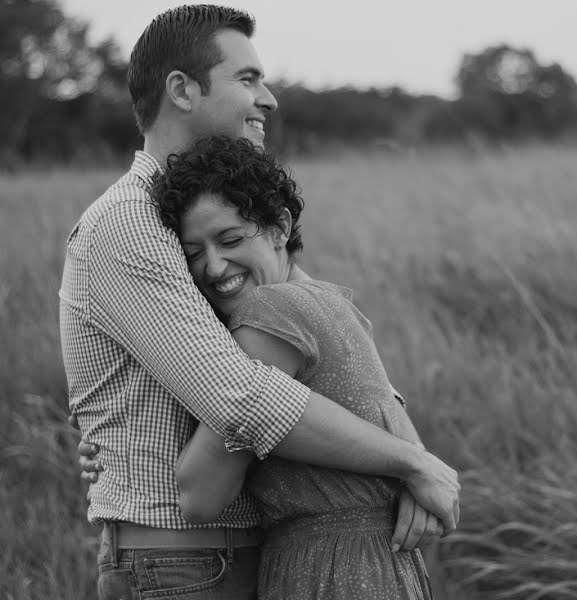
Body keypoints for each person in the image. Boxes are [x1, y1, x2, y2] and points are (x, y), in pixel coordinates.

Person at [59, 6, 459, 600]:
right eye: (247, 78)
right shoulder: (129, 224)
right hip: (183, 562)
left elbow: (331, 345)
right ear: (182, 90)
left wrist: (407, 452)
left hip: (253, 552)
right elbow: (241, 396)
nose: (267, 98)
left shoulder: (201, 215)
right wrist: (410, 463)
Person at [151, 134, 434, 598]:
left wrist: (130, 451)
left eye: (230, 239)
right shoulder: (333, 303)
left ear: (280, 227)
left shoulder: (271, 311)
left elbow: (199, 495)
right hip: (385, 568)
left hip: (331, 572)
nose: (214, 267)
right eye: (193, 253)